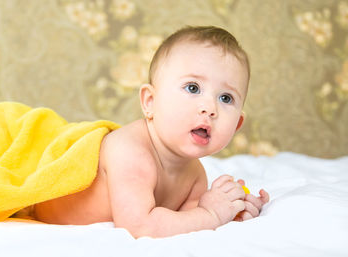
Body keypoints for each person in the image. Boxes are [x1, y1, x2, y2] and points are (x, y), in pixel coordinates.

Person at [32, 25, 270, 238]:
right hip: (36, 197)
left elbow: (189, 223)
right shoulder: (130, 152)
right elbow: (141, 227)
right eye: (193, 87)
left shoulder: (195, 173)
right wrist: (211, 214)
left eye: (226, 98)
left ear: (237, 125)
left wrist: (232, 208)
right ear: (150, 102)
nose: (210, 108)